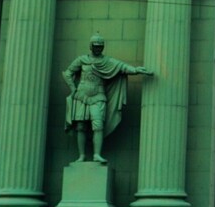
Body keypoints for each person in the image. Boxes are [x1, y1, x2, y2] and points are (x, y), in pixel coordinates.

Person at [62, 34, 151, 164]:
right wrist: (73, 89)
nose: (98, 49)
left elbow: (122, 67)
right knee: (80, 126)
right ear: (91, 46)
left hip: (98, 96)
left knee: (98, 125)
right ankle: (81, 156)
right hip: (81, 96)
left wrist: (136, 69)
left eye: (100, 47)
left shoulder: (107, 61)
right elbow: (68, 73)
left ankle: (97, 154)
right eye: (96, 46)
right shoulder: (81, 60)